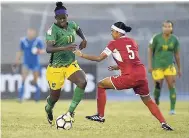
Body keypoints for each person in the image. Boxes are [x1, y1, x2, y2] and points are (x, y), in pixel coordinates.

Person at [74, 21, 173, 131]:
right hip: (141, 74)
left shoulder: (113, 43)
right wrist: (118, 67)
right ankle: (164, 123)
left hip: (129, 76)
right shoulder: (133, 41)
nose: (111, 33)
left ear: (118, 32)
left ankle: (100, 116)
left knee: (101, 85)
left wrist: (81, 54)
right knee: (148, 100)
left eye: (112, 31)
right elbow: (131, 60)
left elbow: (99, 58)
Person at [45, 2, 87, 126]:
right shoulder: (52, 31)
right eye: (60, 18)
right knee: (54, 97)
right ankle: (48, 108)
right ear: (56, 18)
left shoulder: (72, 24)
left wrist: (84, 39)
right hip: (55, 68)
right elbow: (48, 49)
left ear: (67, 16)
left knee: (82, 82)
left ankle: (70, 113)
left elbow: (78, 28)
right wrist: (65, 47)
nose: (63, 20)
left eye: (64, 17)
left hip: (70, 64)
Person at [148, 20, 181, 115]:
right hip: (157, 66)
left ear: (172, 28)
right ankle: (157, 101)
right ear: (162, 28)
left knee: (172, 85)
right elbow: (150, 50)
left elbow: (177, 55)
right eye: (165, 26)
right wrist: (150, 65)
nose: (167, 28)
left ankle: (172, 109)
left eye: (169, 26)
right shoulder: (156, 38)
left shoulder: (175, 39)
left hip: (169, 66)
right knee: (158, 86)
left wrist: (179, 68)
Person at [14, 28, 45, 102]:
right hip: (26, 63)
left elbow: (43, 51)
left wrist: (38, 51)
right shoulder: (23, 41)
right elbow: (20, 52)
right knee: (23, 79)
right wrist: (17, 61)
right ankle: (20, 98)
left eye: (32, 32)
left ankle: (37, 98)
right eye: (29, 32)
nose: (30, 33)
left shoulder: (38, 41)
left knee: (35, 80)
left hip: (35, 63)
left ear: (34, 33)